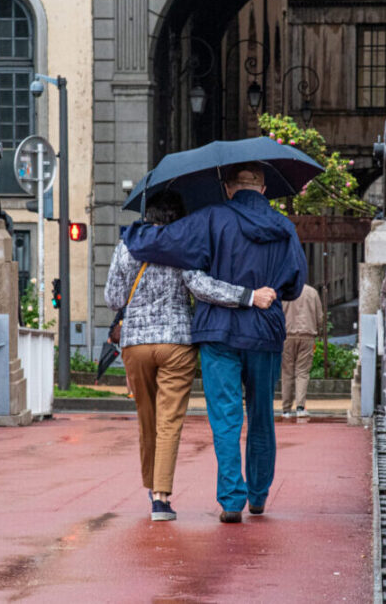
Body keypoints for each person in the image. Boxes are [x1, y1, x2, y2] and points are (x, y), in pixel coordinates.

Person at [123, 163, 307, 523]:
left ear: (227, 187)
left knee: (225, 417)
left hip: (217, 332)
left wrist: (132, 234)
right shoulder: (284, 227)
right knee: (260, 416)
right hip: (264, 332)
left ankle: (231, 500)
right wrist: (266, 290)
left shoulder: (211, 219)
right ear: (264, 188)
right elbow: (296, 284)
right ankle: (258, 495)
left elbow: (165, 242)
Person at [280, 283, 324, 419]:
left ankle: (286, 409)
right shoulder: (312, 292)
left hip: (287, 335)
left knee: (287, 372)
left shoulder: (283, 292)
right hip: (307, 334)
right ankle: (300, 407)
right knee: (302, 372)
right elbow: (320, 316)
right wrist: (318, 330)